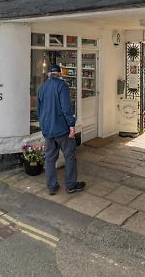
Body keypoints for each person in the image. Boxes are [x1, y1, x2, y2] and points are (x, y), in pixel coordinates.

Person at [37, 64, 85, 195]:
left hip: (48, 130)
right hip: (61, 129)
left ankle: (52, 187)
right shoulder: (62, 85)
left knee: (49, 159)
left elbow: (39, 111)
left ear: (48, 74)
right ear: (59, 74)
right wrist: (71, 125)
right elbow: (66, 107)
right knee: (70, 156)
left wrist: (44, 126)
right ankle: (71, 185)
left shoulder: (42, 88)